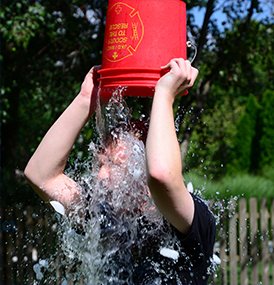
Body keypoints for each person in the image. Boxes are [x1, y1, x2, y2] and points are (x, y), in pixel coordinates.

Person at [24, 59, 216, 284]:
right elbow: (41, 176)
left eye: (114, 164)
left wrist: (164, 94)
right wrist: (86, 99)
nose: (100, 176)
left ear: (142, 169)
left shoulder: (191, 220)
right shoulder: (105, 218)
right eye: (100, 164)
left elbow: (161, 175)